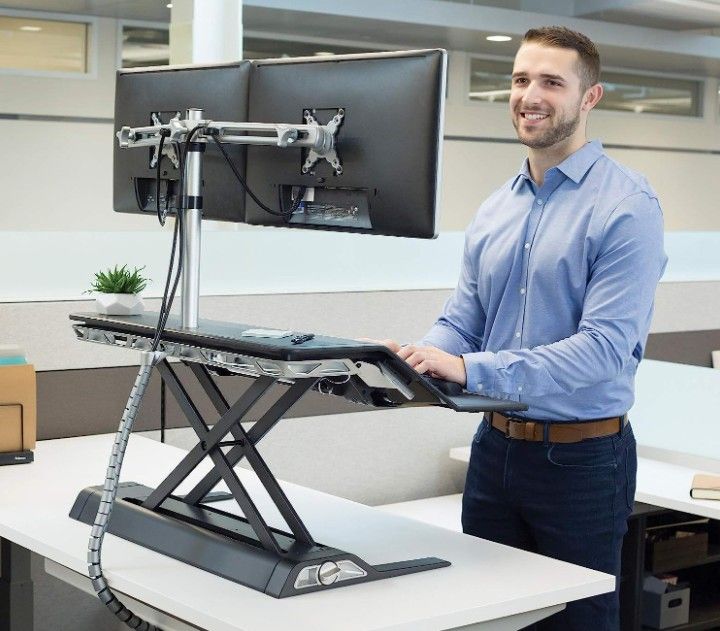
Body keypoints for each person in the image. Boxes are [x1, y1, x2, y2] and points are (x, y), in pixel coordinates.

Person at [377, 26, 667, 630]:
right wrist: (421, 356)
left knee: (577, 622)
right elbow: (467, 318)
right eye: (519, 79)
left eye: (551, 82)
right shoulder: (496, 206)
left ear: (590, 98)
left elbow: (606, 350)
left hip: (582, 460)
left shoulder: (627, 207)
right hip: (495, 450)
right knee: (487, 617)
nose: (529, 94)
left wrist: (472, 369)